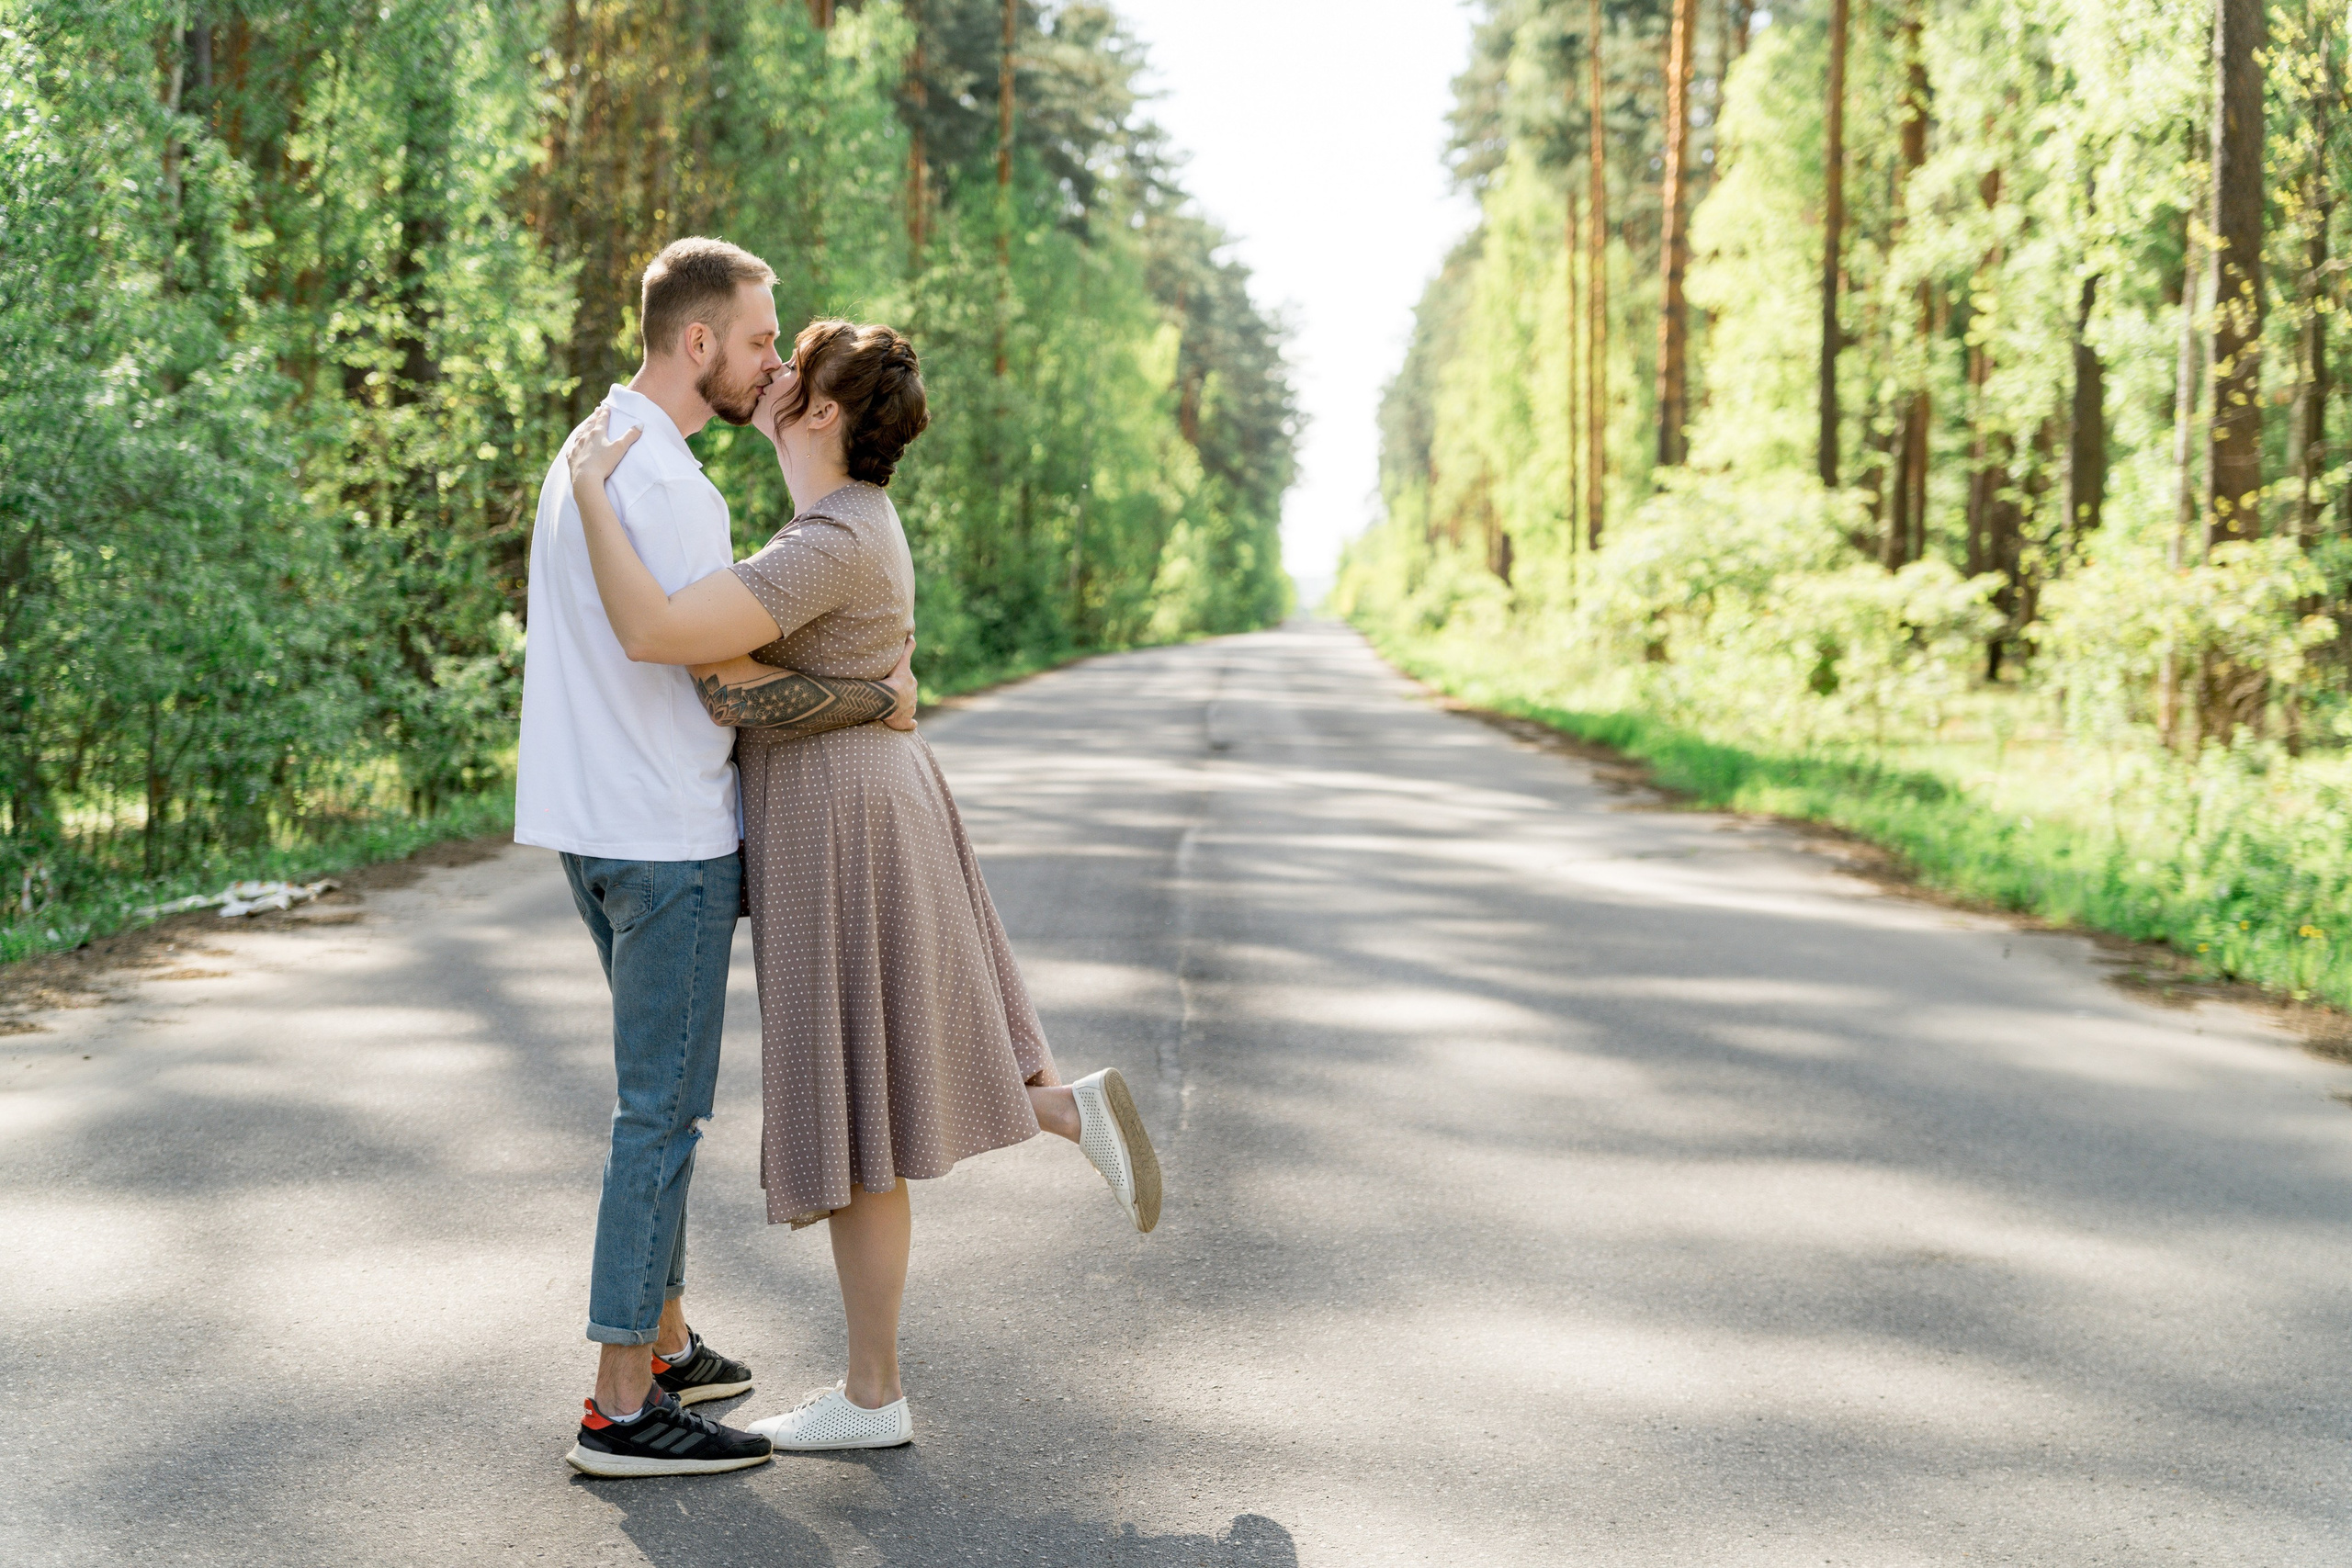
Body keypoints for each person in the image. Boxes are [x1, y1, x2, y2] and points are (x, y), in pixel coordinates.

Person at [560, 317, 1162, 1454]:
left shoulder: (827, 541)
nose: (770, 374)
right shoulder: (840, 527)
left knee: (861, 1105)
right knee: (871, 1096)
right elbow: (742, 675)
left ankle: (878, 1392)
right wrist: (867, 697)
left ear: (822, 415)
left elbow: (685, 658)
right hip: (853, 799)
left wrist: (592, 489)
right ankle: (1047, 1128)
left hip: (842, 818)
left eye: (790, 367)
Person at [516, 238, 922, 1479]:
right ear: (697, 341)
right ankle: (621, 1404)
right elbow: (719, 679)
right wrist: (874, 697)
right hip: (668, 843)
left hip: (587, 828)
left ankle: (671, 1337)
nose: (771, 362)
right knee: (662, 1117)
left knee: (655, 1104)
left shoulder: (589, 449)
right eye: (759, 338)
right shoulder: (680, 488)